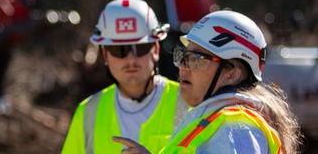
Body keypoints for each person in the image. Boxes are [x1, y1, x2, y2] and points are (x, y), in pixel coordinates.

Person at [113, 10, 302, 154]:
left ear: (232, 74)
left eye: (196, 59)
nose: (183, 67)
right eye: (183, 56)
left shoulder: (235, 129)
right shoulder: (221, 124)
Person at [61, 0, 188, 154]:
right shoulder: (87, 113)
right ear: (105, 55)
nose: (130, 59)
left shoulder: (189, 104)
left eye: (140, 48)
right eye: (119, 50)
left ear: (155, 49)